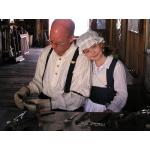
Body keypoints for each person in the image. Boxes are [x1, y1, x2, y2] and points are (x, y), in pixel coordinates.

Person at [14, 19, 91, 112]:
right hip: (42, 106)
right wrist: (26, 90)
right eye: (51, 41)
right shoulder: (46, 52)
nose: (53, 46)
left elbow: (78, 98)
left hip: (68, 113)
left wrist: (48, 104)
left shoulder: (82, 58)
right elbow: (39, 82)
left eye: (58, 43)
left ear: (71, 38)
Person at [76, 30, 128, 112]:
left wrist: (111, 109)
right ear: (84, 54)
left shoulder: (116, 66)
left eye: (94, 46)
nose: (92, 52)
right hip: (89, 107)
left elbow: (122, 94)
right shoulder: (87, 65)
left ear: (101, 44)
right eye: (87, 51)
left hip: (108, 110)